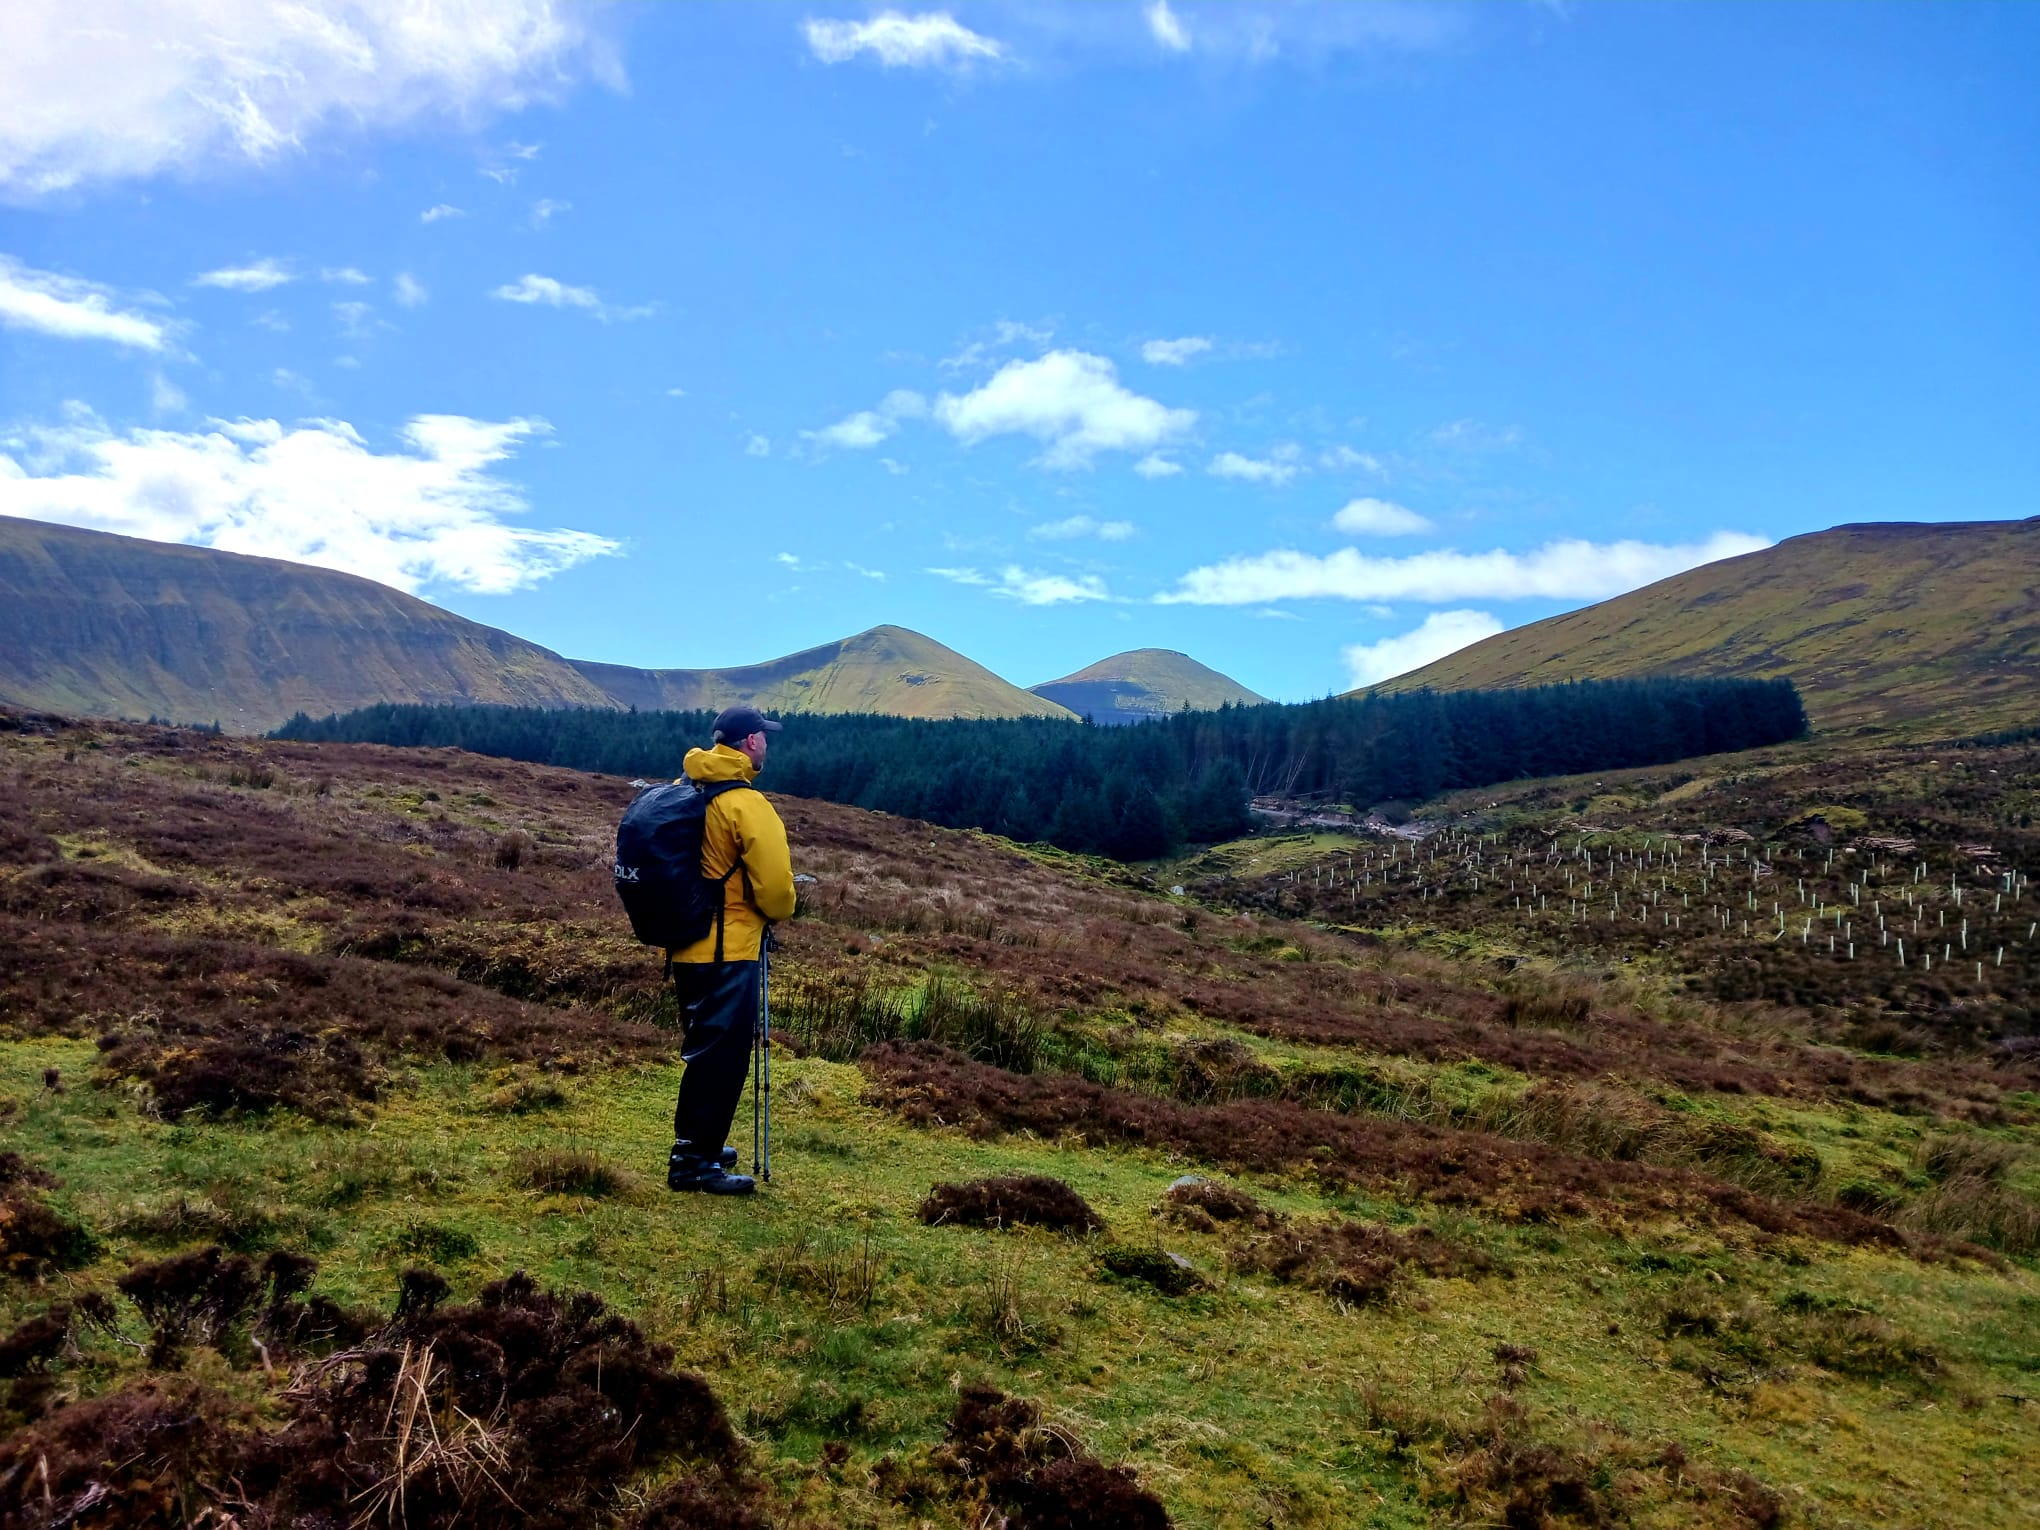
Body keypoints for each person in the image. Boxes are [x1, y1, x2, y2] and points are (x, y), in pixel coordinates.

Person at [666, 704, 795, 1194]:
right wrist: (773, 912)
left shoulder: (685, 787)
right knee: (722, 1058)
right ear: (749, 742)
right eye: (764, 735)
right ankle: (693, 1164)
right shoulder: (745, 803)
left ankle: (699, 1144)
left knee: (704, 1051)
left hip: (685, 943)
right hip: (730, 947)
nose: (767, 743)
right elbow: (779, 893)